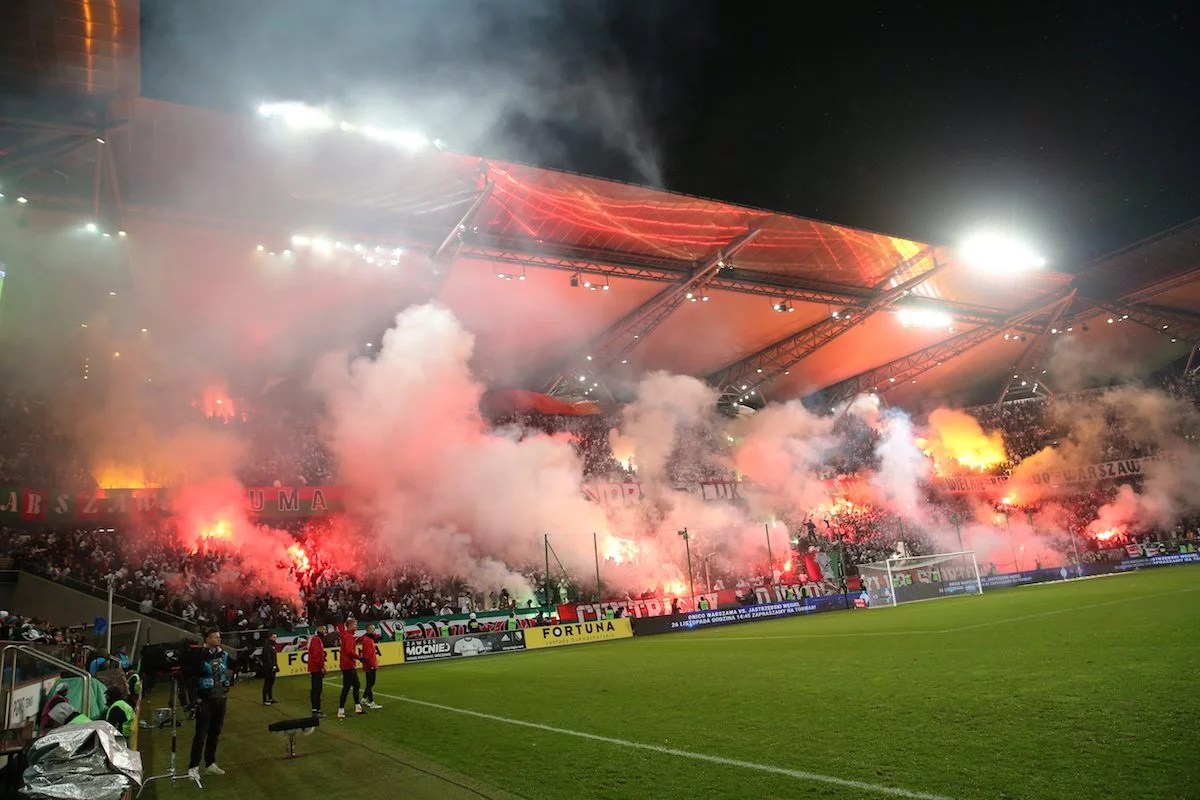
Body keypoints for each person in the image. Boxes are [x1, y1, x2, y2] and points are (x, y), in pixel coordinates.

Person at [187, 629, 231, 781]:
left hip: (221, 697)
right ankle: (193, 767)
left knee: (215, 733)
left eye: (219, 636)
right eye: (216, 637)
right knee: (201, 734)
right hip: (205, 699)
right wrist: (194, 699)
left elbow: (230, 668)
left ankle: (210, 763)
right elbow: (191, 678)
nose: (219, 639)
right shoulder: (199, 655)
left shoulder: (223, 654)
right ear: (207, 638)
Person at [336, 617, 363, 719]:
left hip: (346, 664)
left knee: (352, 685)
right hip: (348, 665)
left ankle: (356, 707)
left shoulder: (347, 636)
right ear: (350, 626)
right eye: (355, 625)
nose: (356, 627)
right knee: (351, 686)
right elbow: (349, 651)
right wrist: (359, 657)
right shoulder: (349, 637)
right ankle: (342, 710)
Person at [359, 624, 382, 710]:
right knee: (370, 683)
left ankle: (364, 699)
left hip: (368, 664)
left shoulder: (367, 638)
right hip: (370, 665)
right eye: (373, 629)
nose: (374, 630)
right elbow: (368, 655)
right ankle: (372, 702)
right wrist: (373, 665)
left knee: (370, 683)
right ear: (368, 630)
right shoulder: (368, 640)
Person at [307, 624, 327, 718]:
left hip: (316, 668)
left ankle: (317, 709)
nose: (325, 632)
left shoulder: (317, 640)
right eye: (324, 630)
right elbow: (316, 656)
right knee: (316, 689)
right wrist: (321, 666)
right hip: (316, 668)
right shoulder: (316, 640)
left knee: (317, 689)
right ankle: (316, 710)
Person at [262, 631, 279, 706]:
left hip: (272, 667)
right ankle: (265, 699)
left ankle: (270, 697)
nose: (275, 638)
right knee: (267, 683)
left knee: (271, 683)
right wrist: (272, 666)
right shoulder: (267, 646)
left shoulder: (272, 645)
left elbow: (273, 657)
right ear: (270, 637)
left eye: (275, 637)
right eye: (274, 637)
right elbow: (267, 658)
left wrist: (275, 666)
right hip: (268, 668)